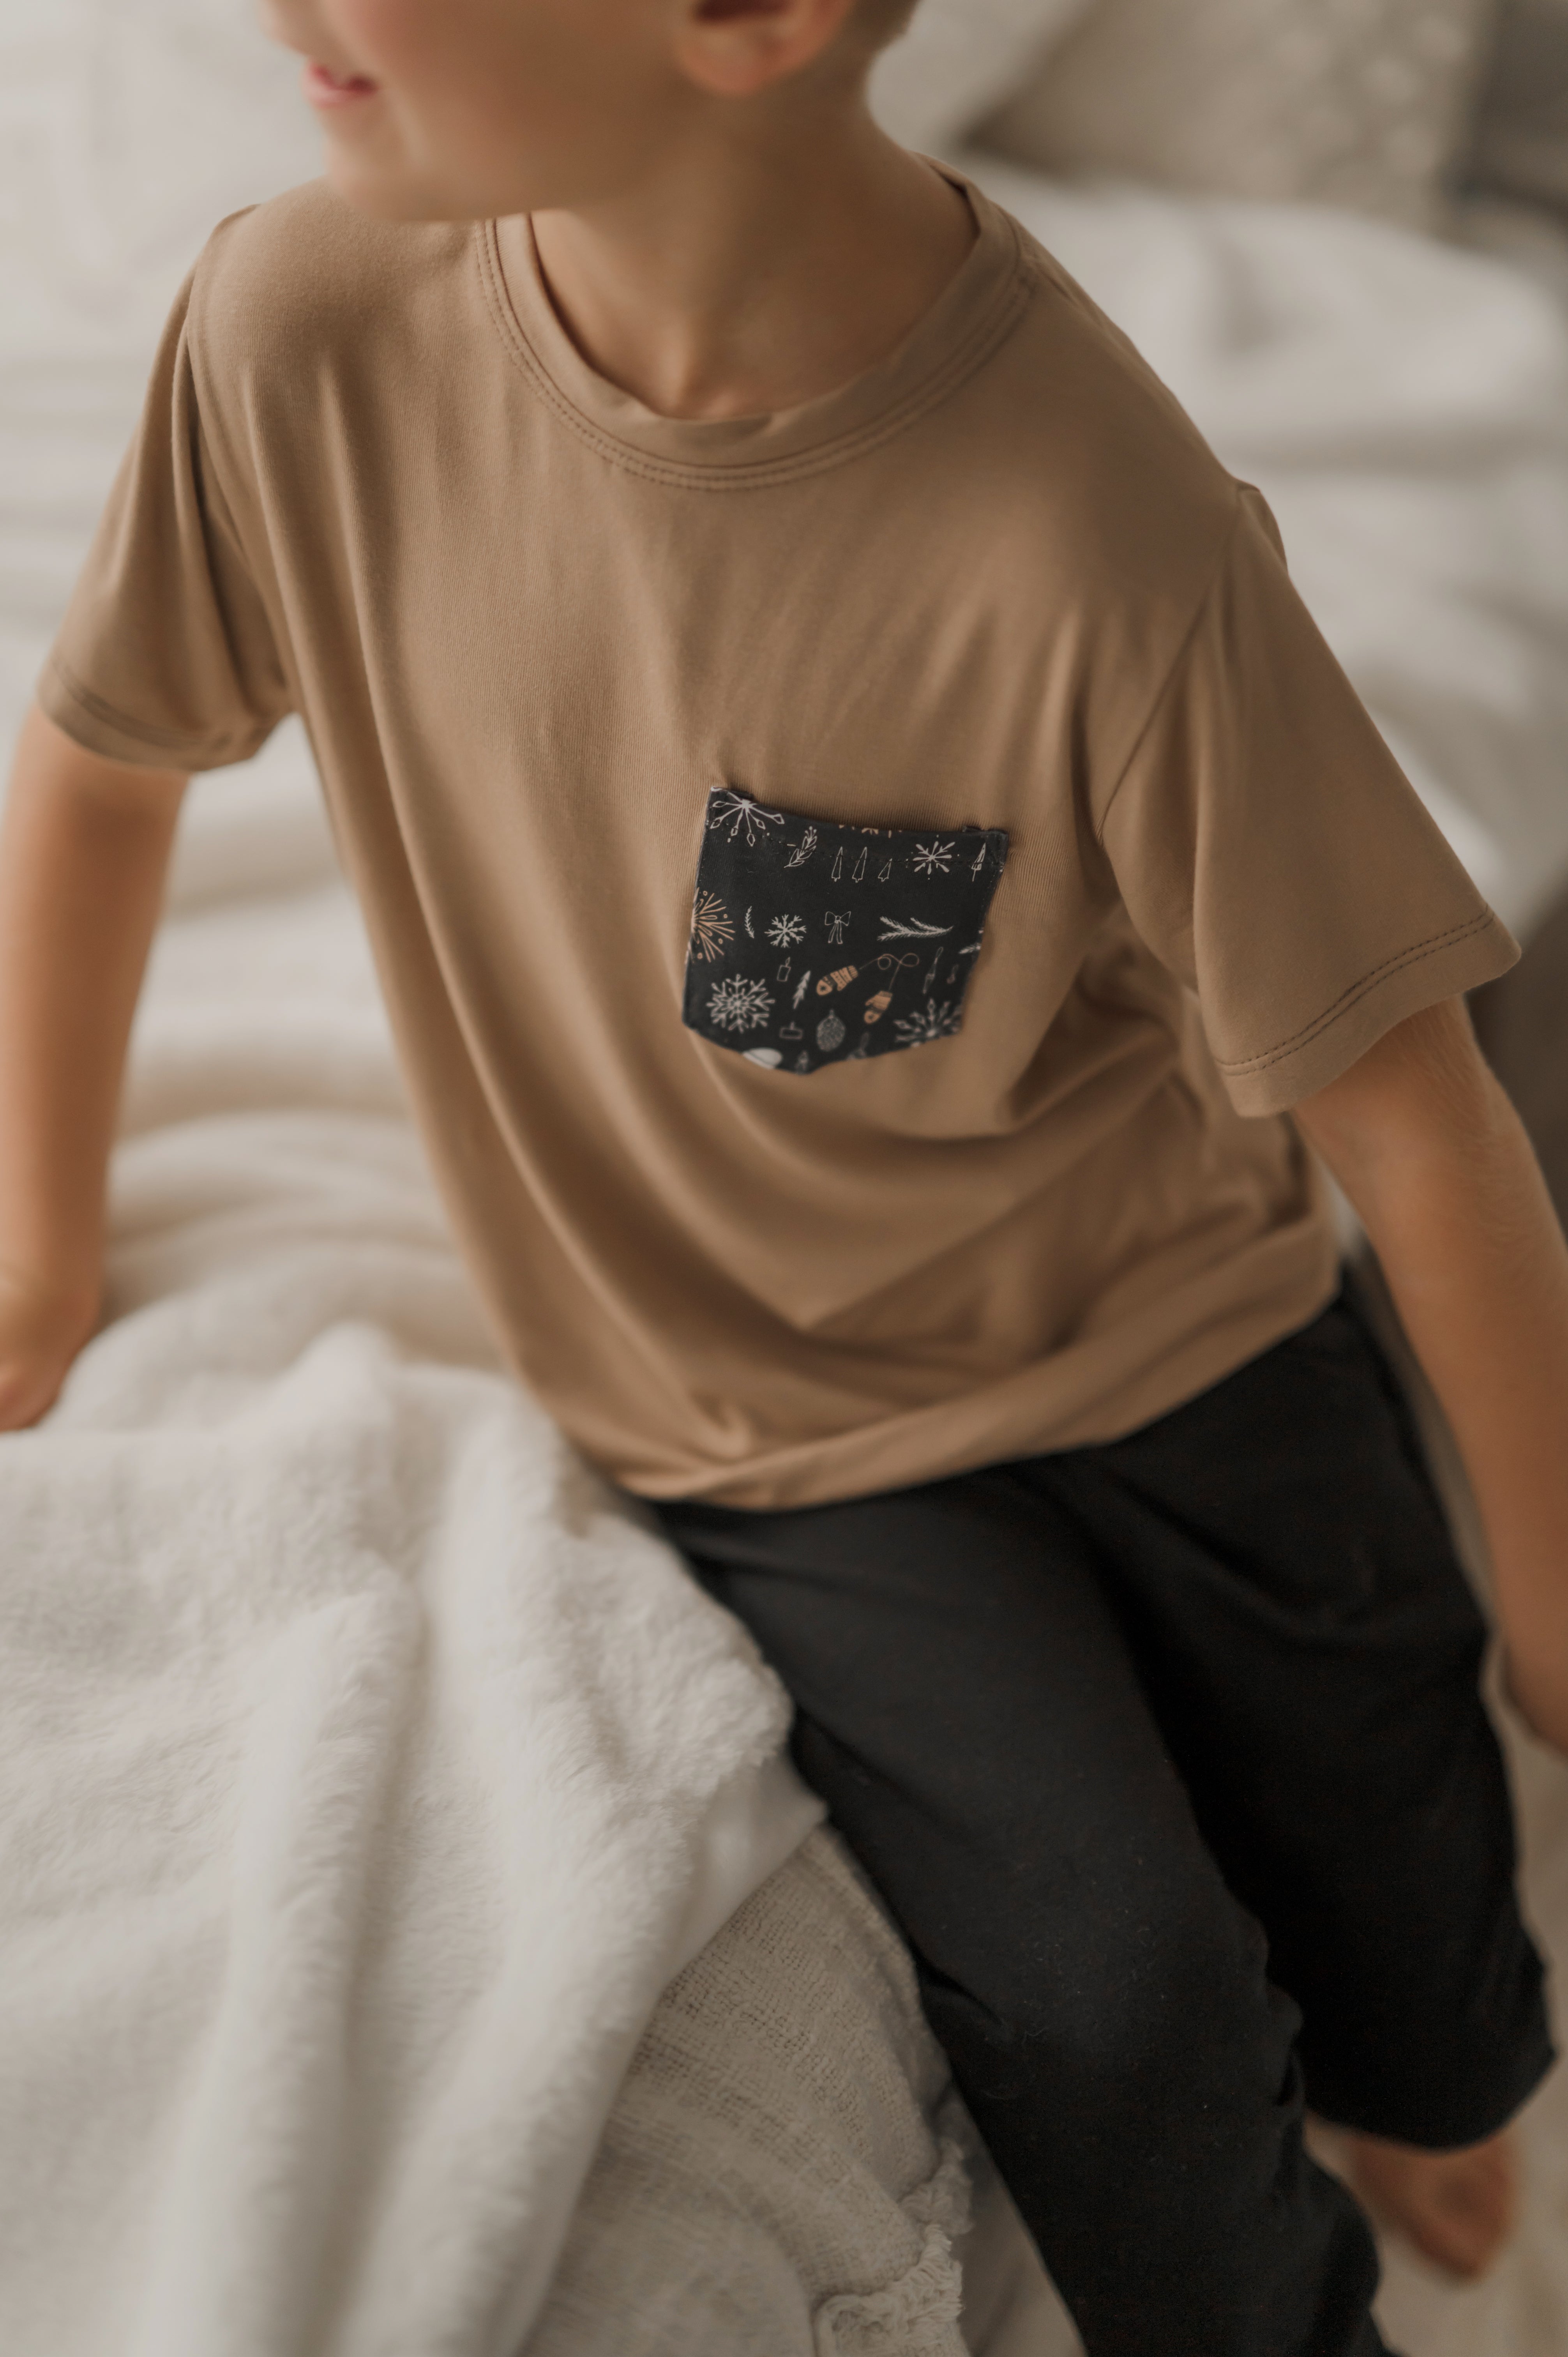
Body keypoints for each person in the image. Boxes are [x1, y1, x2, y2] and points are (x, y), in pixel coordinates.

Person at [0, 1, 1562, 2347]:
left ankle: (1438, 2096)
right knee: (1116, 1999)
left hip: (1190, 1324)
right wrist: (38, 1234)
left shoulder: (1093, 535)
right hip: (771, 1428)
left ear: (749, 15)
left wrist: (1555, 1596)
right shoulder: (294, 335)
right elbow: (103, 763)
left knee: (1408, 1859)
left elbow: (1415, 1118)